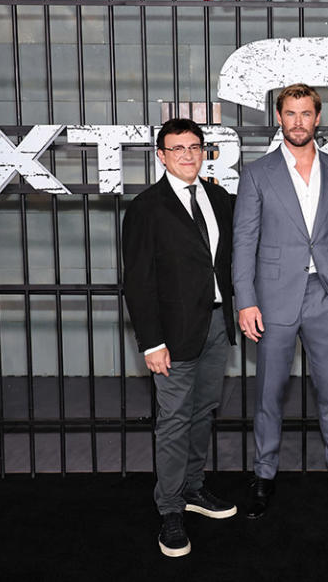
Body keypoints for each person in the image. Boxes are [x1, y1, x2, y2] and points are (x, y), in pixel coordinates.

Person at [233, 83, 328, 518]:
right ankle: (264, 476)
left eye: (305, 113)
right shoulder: (257, 174)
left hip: (326, 296)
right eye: (289, 113)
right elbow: (243, 242)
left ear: (317, 118)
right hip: (272, 300)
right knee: (269, 395)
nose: (298, 121)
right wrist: (246, 300)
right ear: (279, 118)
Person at [122, 118, 238, 557]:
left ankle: (193, 488)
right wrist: (151, 342)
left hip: (215, 327)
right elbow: (138, 281)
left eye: (195, 147)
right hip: (170, 335)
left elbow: (225, 265)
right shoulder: (146, 207)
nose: (188, 155)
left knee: (203, 412)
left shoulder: (219, 198)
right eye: (178, 148)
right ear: (161, 155)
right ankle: (169, 509)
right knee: (173, 421)